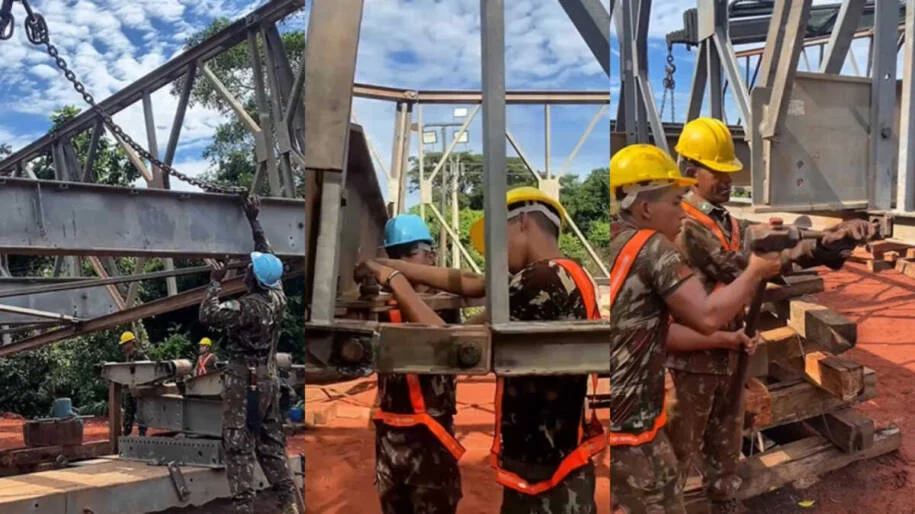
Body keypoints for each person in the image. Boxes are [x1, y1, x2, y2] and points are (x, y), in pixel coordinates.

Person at [667, 118, 875, 514]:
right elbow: (736, 266)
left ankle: (722, 501)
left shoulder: (724, 219)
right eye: (719, 172)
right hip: (692, 355)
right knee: (680, 444)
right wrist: (800, 254)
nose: (729, 181)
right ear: (690, 172)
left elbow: (762, 243)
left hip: (729, 346)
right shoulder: (684, 226)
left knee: (725, 437)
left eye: (731, 172)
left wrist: (825, 243)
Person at [364, 187, 604, 514]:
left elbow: (451, 345)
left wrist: (393, 277)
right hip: (558, 459)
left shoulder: (539, 280)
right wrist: (393, 266)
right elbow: (469, 281)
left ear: (521, 222)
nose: (494, 254)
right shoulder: (567, 274)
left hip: (548, 477)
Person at [607, 144, 781, 513]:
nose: (680, 209)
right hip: (642, 411)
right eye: (674, 201)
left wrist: (729, 338)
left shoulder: (618, 242)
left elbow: (662, 331)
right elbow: (704, 314)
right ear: (645, 208)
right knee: (665, 484)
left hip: (643, 414)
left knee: (675, 479)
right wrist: (755, 271)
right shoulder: (652, 247)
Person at [199, 195, 300, 514]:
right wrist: (254, 220)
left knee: (238, 444)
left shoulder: (247, 309)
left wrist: (215, 283)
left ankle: (244, 507)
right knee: (270, 443)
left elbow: (208, 314)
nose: (243, 273)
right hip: (269, 381)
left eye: (247, 270)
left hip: (244, 385)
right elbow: (270, 258)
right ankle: (288, 503)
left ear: (254, 278)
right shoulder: (277, 298)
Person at [358, 213, 464, 514]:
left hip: (430, 437)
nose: (400, 263)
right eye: (394, 257)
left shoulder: (445, 303)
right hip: (390, 438)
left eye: (408, 255)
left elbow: (441, 340)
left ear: (429, 254)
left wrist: (394, 280)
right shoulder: (380, 306)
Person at [119, 330, 148, 437]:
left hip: (139, 389)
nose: (124, 346)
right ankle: (126, 433)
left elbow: (149, 369)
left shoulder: (140, 355)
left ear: (132, 343)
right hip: (130, 389)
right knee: (128, 413)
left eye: (126, 343)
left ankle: (142, 434)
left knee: (140, 412)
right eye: (123, 344)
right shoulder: (128, 357)